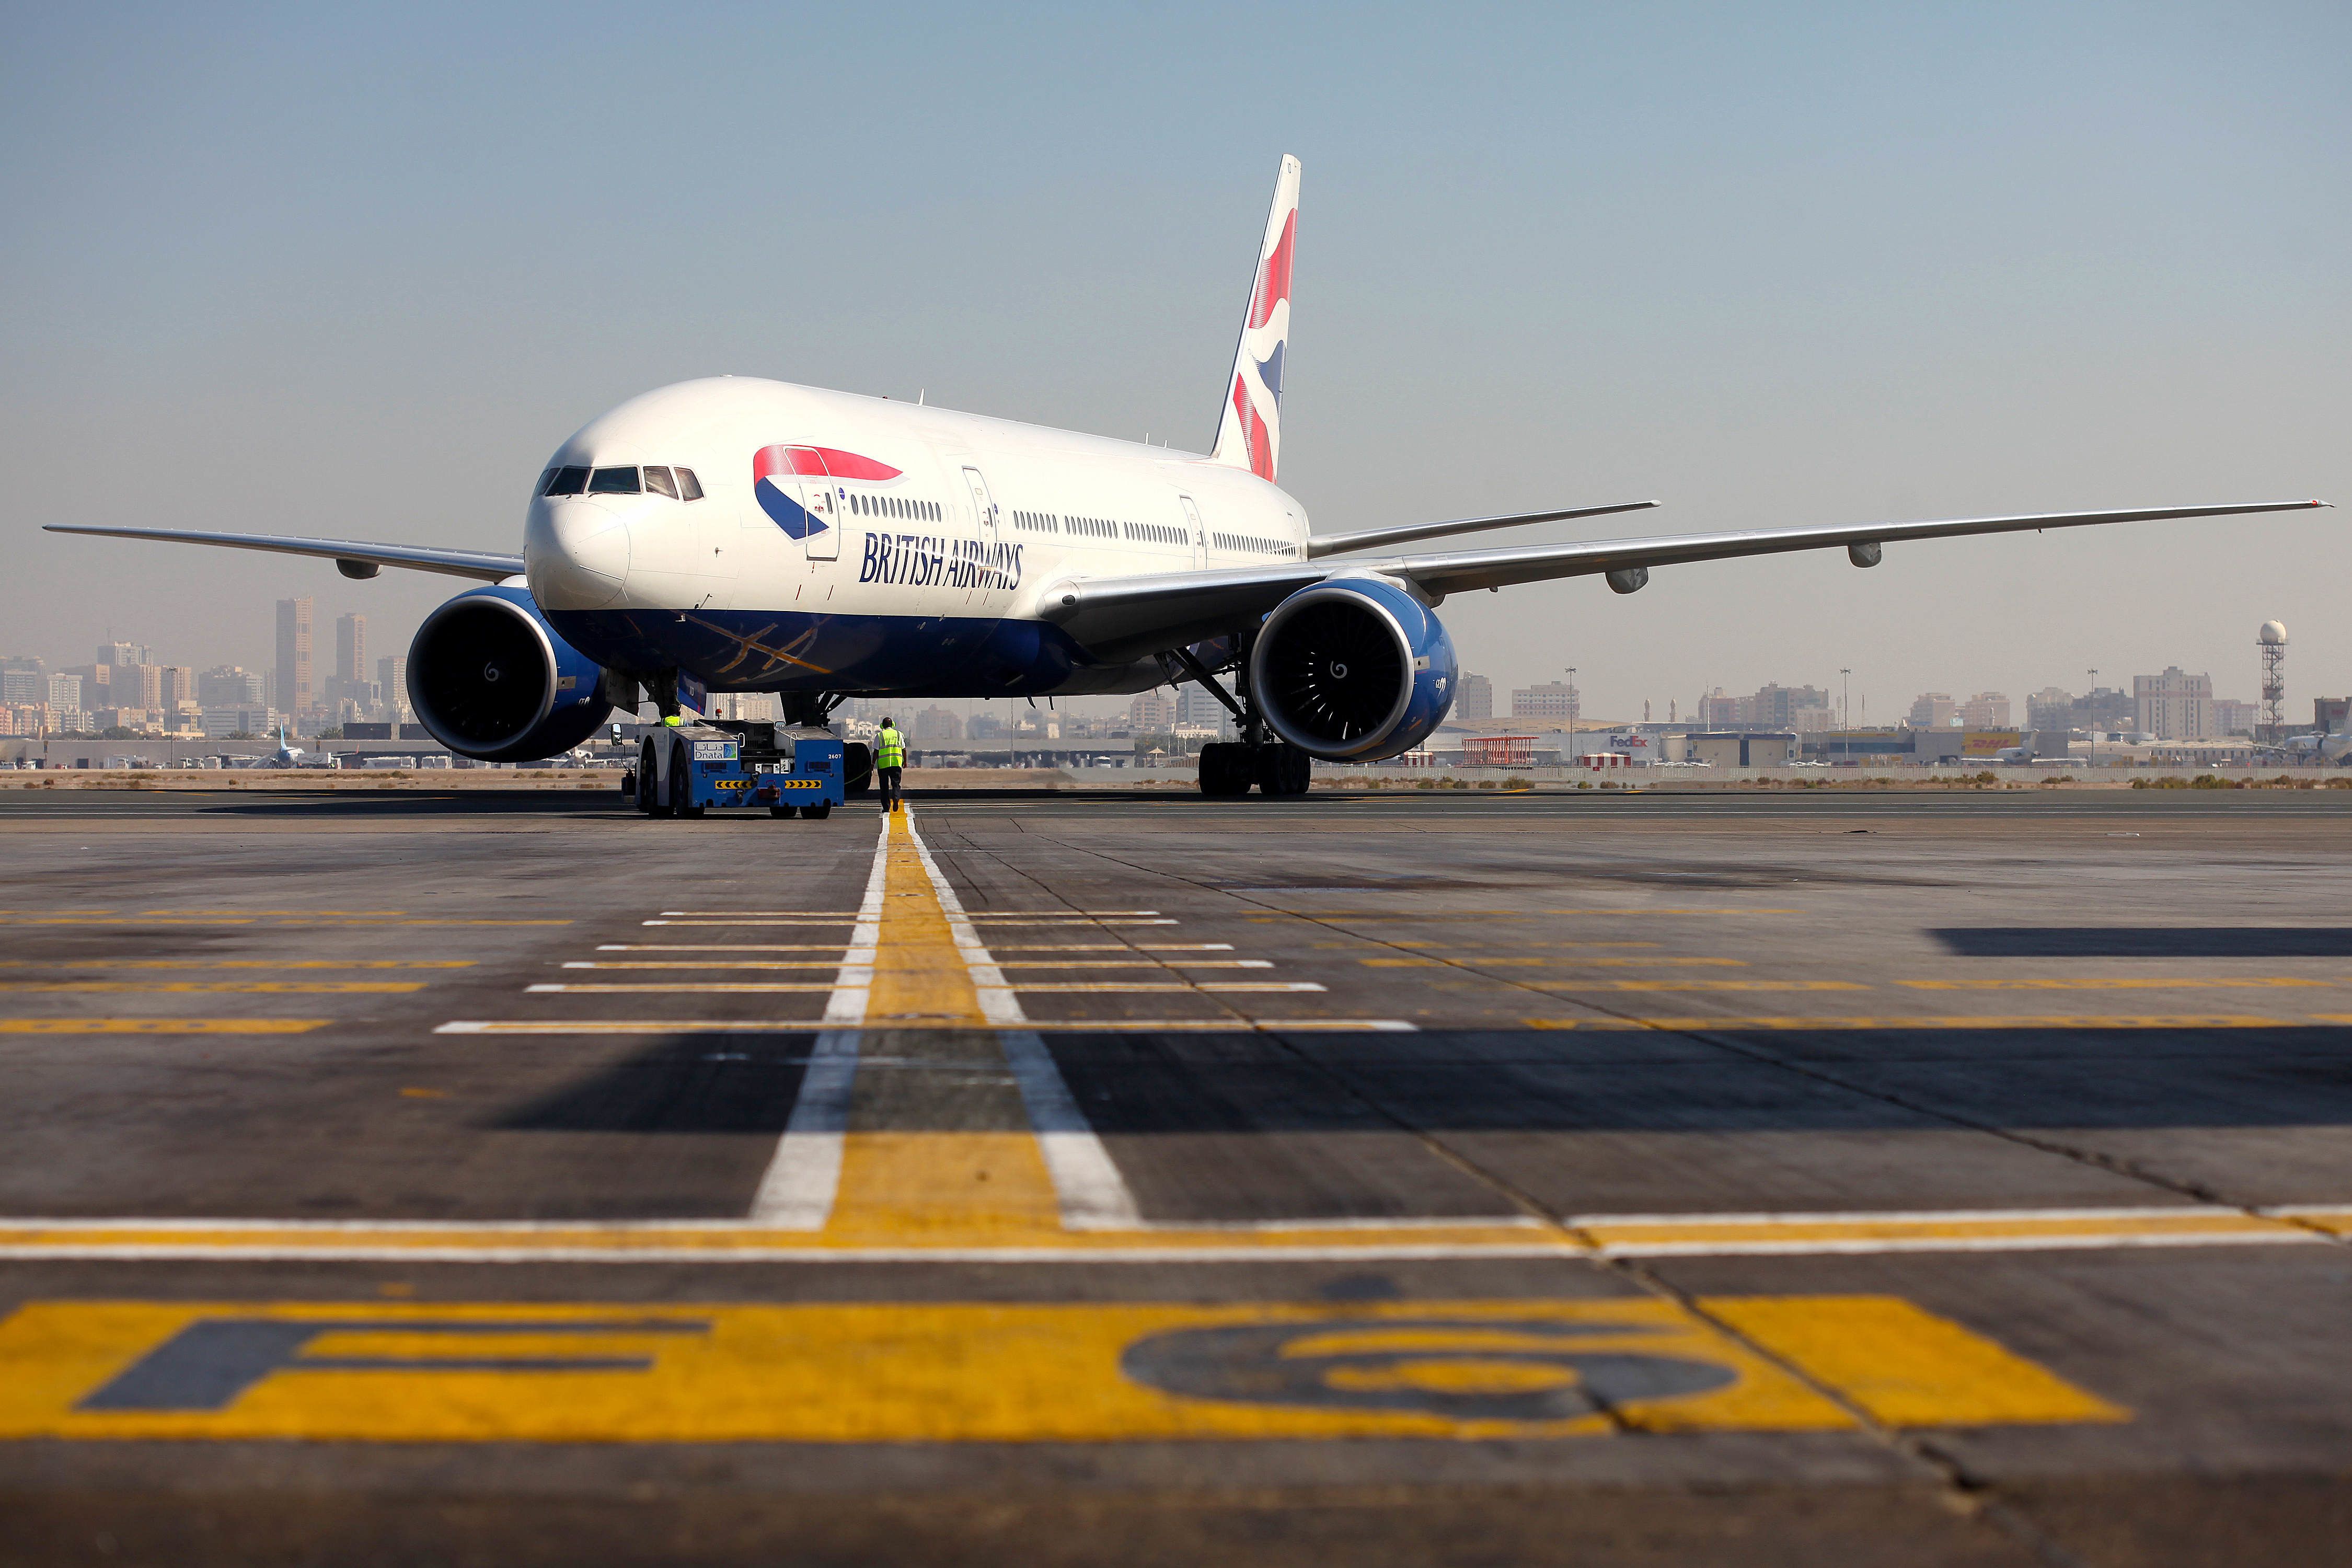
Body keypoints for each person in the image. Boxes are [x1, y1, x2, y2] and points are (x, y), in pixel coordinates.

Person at [874, 716, 906, 811]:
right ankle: (896, 798)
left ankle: (886, 807)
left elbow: (876, 751)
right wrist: (905, 761)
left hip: (883, 765)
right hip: (896, 763)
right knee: (896, 784)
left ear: (882, 726)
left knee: (884, 787)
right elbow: (904, 749)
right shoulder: (899, 734)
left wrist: (872, 764)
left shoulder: (880, 735)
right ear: (892, 725)